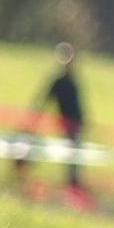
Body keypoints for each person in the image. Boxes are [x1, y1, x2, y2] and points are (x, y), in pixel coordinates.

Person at [32, 42, 88, 201]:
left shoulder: (73, 79)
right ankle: (72, 183)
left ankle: (74, 182)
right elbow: (44, 99)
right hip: (67, 123)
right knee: (72, 152)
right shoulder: (59, 81)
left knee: (75, 152)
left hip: (76, 123)